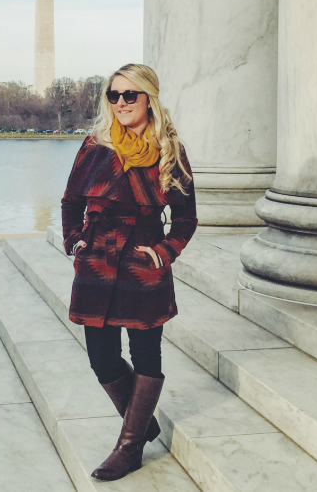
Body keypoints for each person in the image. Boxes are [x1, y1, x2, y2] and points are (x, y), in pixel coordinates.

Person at [61, 63, 197, 481]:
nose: (120, 103)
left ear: (148, 99)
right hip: (97, 263)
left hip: (142, 266)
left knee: (145, 355)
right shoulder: (95, 145)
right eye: (113, 95)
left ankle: (130, 446)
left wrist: (163, 252)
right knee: (101, 359)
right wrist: (74, 241)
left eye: (129, 95)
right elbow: (70, 202)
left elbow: (186, 219)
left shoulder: (170, 150)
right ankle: (142, 424)